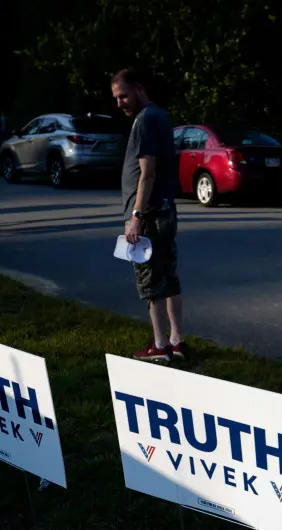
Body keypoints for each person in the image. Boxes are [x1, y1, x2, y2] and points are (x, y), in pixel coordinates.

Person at [111, 67, 184, 362]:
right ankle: (177, 341)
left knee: (151, 281)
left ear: (139, 88)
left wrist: (136, 216)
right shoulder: (160, 116)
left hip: (150, 214)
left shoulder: (144, 121)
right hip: (165, 209)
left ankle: (160, 345)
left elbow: (147, 173)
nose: (120, 103)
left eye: (123, 96)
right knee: (169, 277)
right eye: (116, 98)